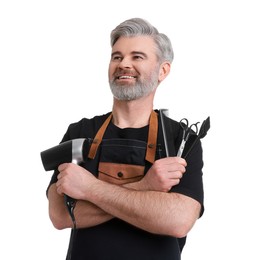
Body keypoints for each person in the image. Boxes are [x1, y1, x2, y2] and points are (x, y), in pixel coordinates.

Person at [47, 17, 204, 260]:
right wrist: (145, 187)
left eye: (137, 57)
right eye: (117, 57)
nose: (124, 64)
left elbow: (178, 220)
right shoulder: (78, 132)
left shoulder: (181, 139)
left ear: (163, 70)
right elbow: (60, 216)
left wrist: (89, 189)